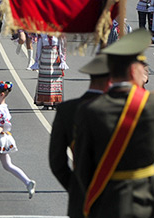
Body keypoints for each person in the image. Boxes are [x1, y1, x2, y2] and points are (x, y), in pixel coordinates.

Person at [73, 30, 154, 218]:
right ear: (133, 71)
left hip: (106, 200)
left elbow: (81, 165)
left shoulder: (90, 110)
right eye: (142, 68)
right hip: (145, 201)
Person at [49, 54, 111, 218]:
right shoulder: (123, 110)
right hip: (116, 201)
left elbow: (57, 162)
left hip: (81, 200)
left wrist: (76, 186)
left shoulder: (66, 110)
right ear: (111, 80)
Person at [30, 34, 68, 109]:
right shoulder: (42, 35)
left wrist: (63, 61)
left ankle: (55, 102)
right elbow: (39, 48)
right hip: (45, 59)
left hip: (55, 60)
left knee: (55, 80)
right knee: (45, 80)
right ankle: (46, 103)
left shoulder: (59, 35)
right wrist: (37, 61)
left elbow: (62, 48)